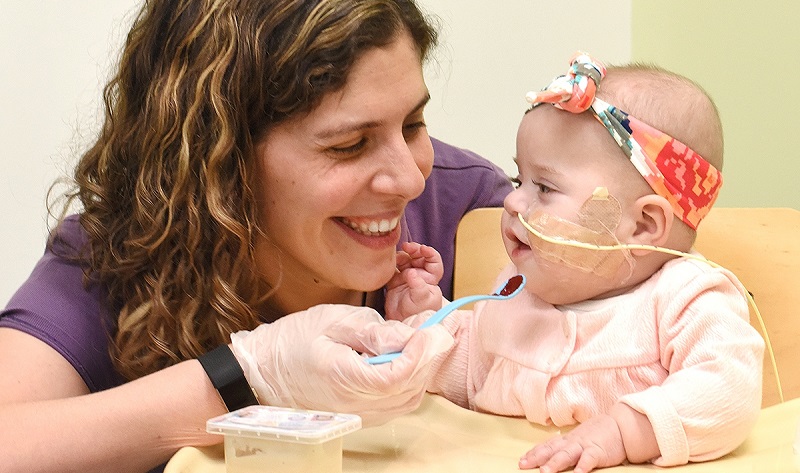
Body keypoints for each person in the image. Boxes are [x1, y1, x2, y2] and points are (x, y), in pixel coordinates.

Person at [0, 1, 511, 472]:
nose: (410, 180)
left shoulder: (465, 211)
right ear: (218, 159)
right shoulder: (121, 252)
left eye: (413, 124)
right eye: (350, 145)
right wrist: (248, 378)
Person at [385, 53, 765, 473]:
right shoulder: (514, 294)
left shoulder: (688, 299)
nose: (511, 201)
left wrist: (624, 432)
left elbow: (728, 388)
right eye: (519, 181)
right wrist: (422, 324)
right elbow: (471, 376)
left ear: (642, 225)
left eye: (544, 187)